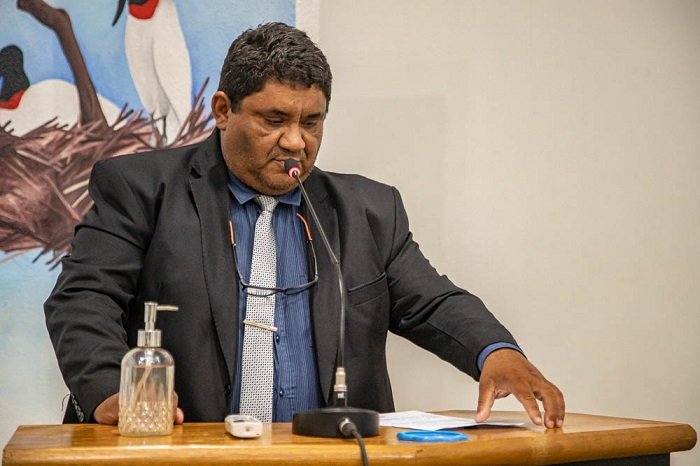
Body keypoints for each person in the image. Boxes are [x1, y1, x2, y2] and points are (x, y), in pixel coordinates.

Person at [45, 22, 565, 429]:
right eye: (274, 120)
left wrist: (497, 352)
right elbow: (84, 297)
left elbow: (431, 302)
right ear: (223, 111)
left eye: (311, 122)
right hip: (187, 450)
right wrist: (112, 389)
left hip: (328, 454)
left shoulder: (368, 210)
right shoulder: (144, 189)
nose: (296, 142)